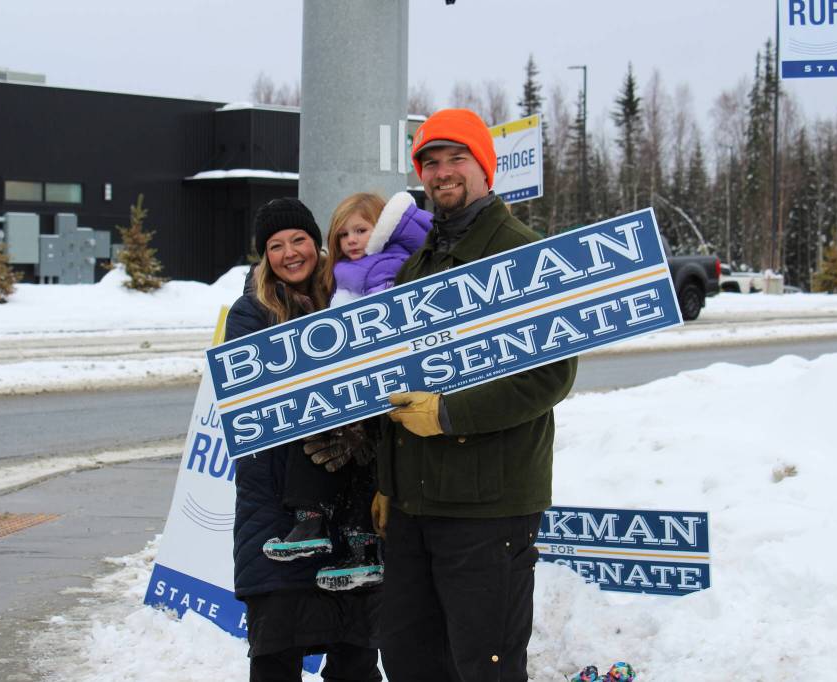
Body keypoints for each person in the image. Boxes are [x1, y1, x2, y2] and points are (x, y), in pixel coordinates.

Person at [373, 109, 578, 682]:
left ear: (485, 166)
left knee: (483, 665)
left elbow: (550, 375)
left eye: (456, 158)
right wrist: (387, 484)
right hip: (414, 510)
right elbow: (394, 379)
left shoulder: (523, 253)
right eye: (430, 163)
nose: (442, 172)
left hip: (488, 511)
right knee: (410, 659)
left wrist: (448, 412)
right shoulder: (418, 266)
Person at [226, 197, 382, 682]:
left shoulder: (347, 293)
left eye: (298, 240)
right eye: (275, 245)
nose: (290, 253)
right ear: (263, 255)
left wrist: (359, 434)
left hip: (348, 509)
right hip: (275, 508)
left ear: (317, 243)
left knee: (355, 654)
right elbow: (255, 403)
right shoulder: (250, 313)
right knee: (276, 656)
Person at [262, 191, 432, 591]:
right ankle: (316, 523)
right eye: (343, 235)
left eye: (361, 230)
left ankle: (357, 543)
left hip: (384, 385)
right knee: (321, 429)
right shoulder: (339, 276)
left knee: (366, 452)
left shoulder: (389, 267)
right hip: (350, 387)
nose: (352, 240)